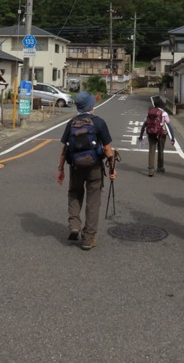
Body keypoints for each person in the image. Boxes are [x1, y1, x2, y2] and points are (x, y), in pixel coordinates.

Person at [57, 91, 116, 251]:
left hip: (75, 166)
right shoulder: (99, 123)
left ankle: (74, 225)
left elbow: (65, 148)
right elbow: (107, 148)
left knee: (74, 193)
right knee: (93, 201)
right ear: (91, 106)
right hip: (94, 167)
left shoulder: (71, 123)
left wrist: (61, 169)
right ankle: (88, 239)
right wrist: (112, 169)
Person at [138, 96, 176, 176]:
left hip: (151, 133)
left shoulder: (150, 113)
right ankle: (160, 167)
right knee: (160, 150)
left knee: (151, 150)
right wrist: (172, 137)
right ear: (162, 105)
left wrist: (141, 135)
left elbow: (144, 125)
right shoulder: (164, 113)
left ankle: (151, 170)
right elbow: (169, 126)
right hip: (161, 134)